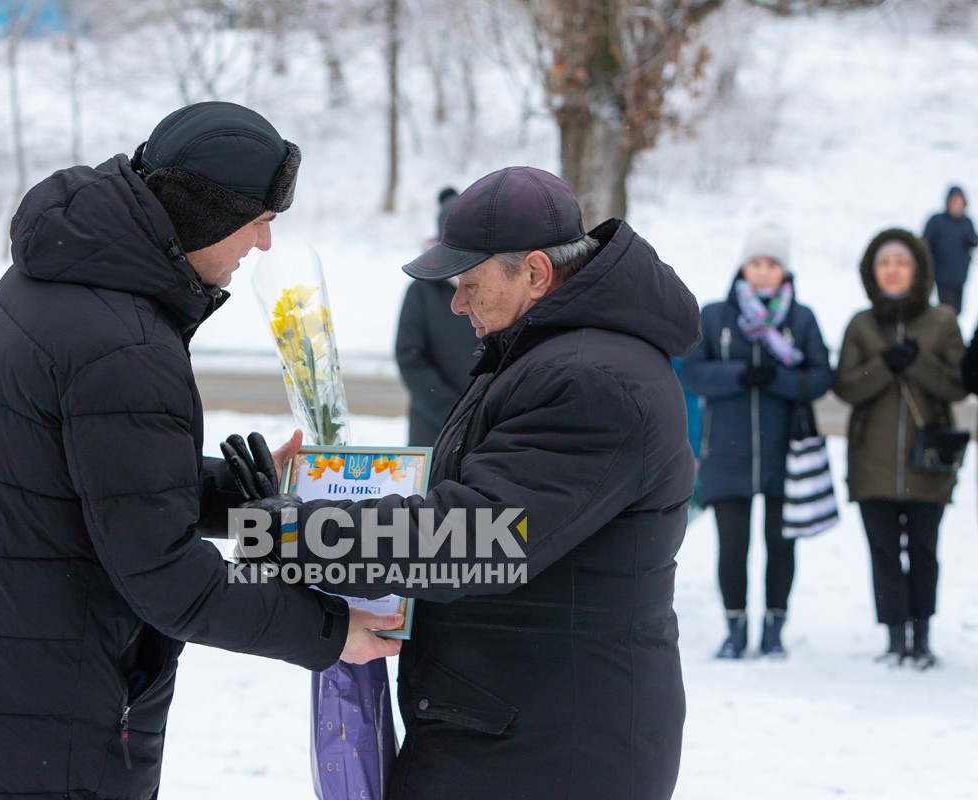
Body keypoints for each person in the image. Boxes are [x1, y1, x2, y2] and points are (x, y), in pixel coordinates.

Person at [0, 102, 401, 800]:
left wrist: (233, 494)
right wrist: (331, 630)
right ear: (205, 213)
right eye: (259, 219)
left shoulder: (51, 282)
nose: (264, 244)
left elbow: (88, 484)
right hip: (46, 717)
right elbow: (165, 577)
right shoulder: (123, 344)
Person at [237, 166, 701, 799]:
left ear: (535, 272)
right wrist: (323, 496)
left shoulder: (593, 381)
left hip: (550, 748)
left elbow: (478, 537)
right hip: (506, 723)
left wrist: (289, 535)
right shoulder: (547, 354)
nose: (455, 304)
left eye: (470, 284)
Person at [679, 222, 834, 659]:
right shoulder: (714, 316)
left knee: (780, 544)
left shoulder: (800, 319)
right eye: (756, 263)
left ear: (784, 271)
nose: (763, 271)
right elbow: (692, 372)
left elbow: (822, 376)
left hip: (785, 453)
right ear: (743, 267)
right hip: (726, 451)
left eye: (772, 264)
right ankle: (735, 627)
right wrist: (738, 375)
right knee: (733, 545)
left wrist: (780, 380)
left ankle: (774, 628)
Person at [833, 228, 966, 671]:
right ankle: (895, 637)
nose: (892, 270)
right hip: (872, 462)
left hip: (929, 462)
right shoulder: (861, 324)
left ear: (918, 271)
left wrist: (918, 363)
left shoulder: (943, 323)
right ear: (873, 271)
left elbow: (956, 385)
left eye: (901, 263)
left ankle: (922, 636)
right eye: (884, 263)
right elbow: (847, 387)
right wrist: (884, 366)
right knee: (884, 552)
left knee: (925, 551)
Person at [395, 186, 480, 445]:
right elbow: (410, 356)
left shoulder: (496, 289)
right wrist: (451, 410)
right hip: (433, 429)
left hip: (486, 427)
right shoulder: (421, 291)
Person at [922, 185, 978, 314]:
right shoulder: (937, 221)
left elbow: (974, 241)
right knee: (947, 309)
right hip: (941, 274)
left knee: (957, 310)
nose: (957, 205)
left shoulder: (966, 222)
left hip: (960, 275)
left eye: (960, 202)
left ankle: (952, 332)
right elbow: (924, 243)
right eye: (954, 202)